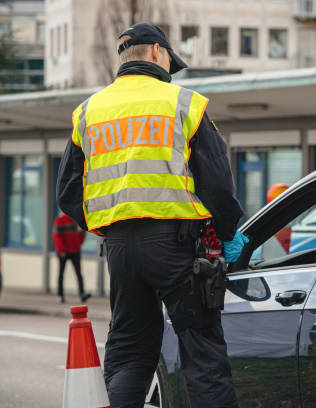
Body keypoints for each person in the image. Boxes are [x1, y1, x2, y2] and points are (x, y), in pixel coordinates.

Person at [56, 23, 247, 408]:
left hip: (121, 252)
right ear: (158, 53)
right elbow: (217, 183)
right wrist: (229, 234)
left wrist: (104, 223)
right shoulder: (184, 104)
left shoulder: (89, 112)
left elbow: (67, 192)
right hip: (176, 248)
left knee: (129, 352)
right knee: (202, 352)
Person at [52, 211, 90, 303]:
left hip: (75, 251)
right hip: (63, 252)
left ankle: (82, 294)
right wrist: (61, 250)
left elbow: (82, 233)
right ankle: (60, 295)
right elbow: (56, 236)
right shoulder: (59, 220)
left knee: (79, 273)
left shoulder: (76, 220)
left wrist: (78, 245)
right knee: (61, 274)